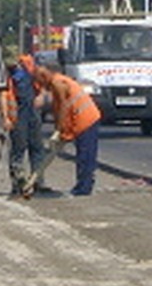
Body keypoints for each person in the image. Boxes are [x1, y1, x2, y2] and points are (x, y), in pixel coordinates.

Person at [33, 65, 102, 196]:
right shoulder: (57, 83)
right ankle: (83, 185)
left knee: (85, 155)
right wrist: (61, 130)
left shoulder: (58, 84)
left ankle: (84, 188)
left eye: (39, 81)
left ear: (44, 76)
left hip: (86, 120)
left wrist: (61, 129)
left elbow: (64, 109)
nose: (40, 85)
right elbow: (58, 109)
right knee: (84, 154)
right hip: (84, 119)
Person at [0, 53, 46, 196]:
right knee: (18, 149)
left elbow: (43, 82)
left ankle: (37, 181)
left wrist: (41, 96)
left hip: (33, 113)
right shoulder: (6, 76)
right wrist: (6, 118)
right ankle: (18, 183)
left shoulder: (29, 67)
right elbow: (3, 96)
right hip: (18, 116)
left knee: (37, 148)